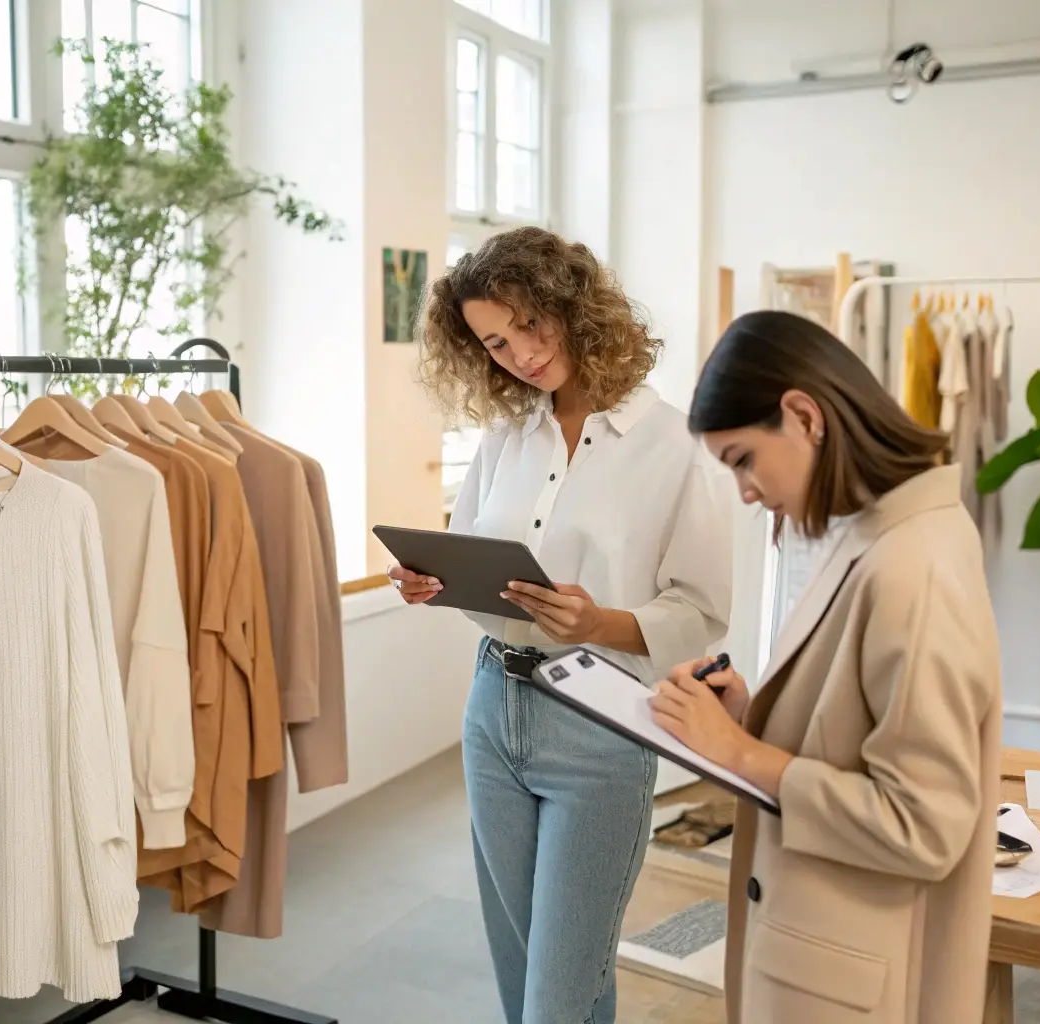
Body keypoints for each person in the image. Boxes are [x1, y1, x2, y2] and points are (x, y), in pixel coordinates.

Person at [392, 226, 731, 1024]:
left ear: (571, 307)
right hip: (492, 711)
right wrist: (433, 580)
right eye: (494, 342)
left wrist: (599, 620)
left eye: (528, 325)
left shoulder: (677, 445)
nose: (518, 353)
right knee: (527, 975)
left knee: (559, 993)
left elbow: (703, 609)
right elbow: (475, 551)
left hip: (602, 722)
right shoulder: (509, 435)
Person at [650, 309, 1002, 1024]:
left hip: (857, 974)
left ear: (804, 415)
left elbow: (920, 825)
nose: (745, 492)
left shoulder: (911, 563)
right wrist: (758, 716)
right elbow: (861, 721)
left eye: (743, 459)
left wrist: (742, 753)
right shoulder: (882, 529)